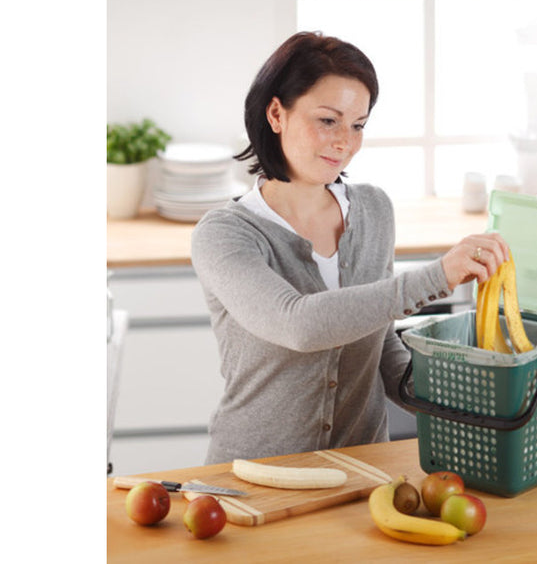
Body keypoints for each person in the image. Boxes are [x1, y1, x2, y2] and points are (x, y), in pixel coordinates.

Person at [191, 31, 509, 464]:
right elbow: (299, 325)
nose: (345, 141)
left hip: (363, 474)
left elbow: (382, 351)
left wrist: (479, 397)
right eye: (328, 120)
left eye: (358, 125)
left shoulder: (374, 210)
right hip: (254, 476)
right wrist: (439, 276)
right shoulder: (224, 234)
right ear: (276, 113)